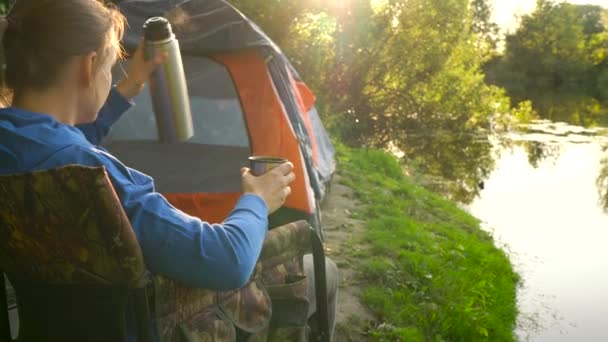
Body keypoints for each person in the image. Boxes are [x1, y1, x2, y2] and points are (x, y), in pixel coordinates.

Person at [0, 0, 337, 339]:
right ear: (88, 66)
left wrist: (131, 83)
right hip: (149, 326)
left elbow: (55, 140)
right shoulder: (95, 176)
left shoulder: (19, 146)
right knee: (327, 272)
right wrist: (256, 201)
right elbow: (227, 260)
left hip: (46, 328)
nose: (110, 76)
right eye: (110, 66)